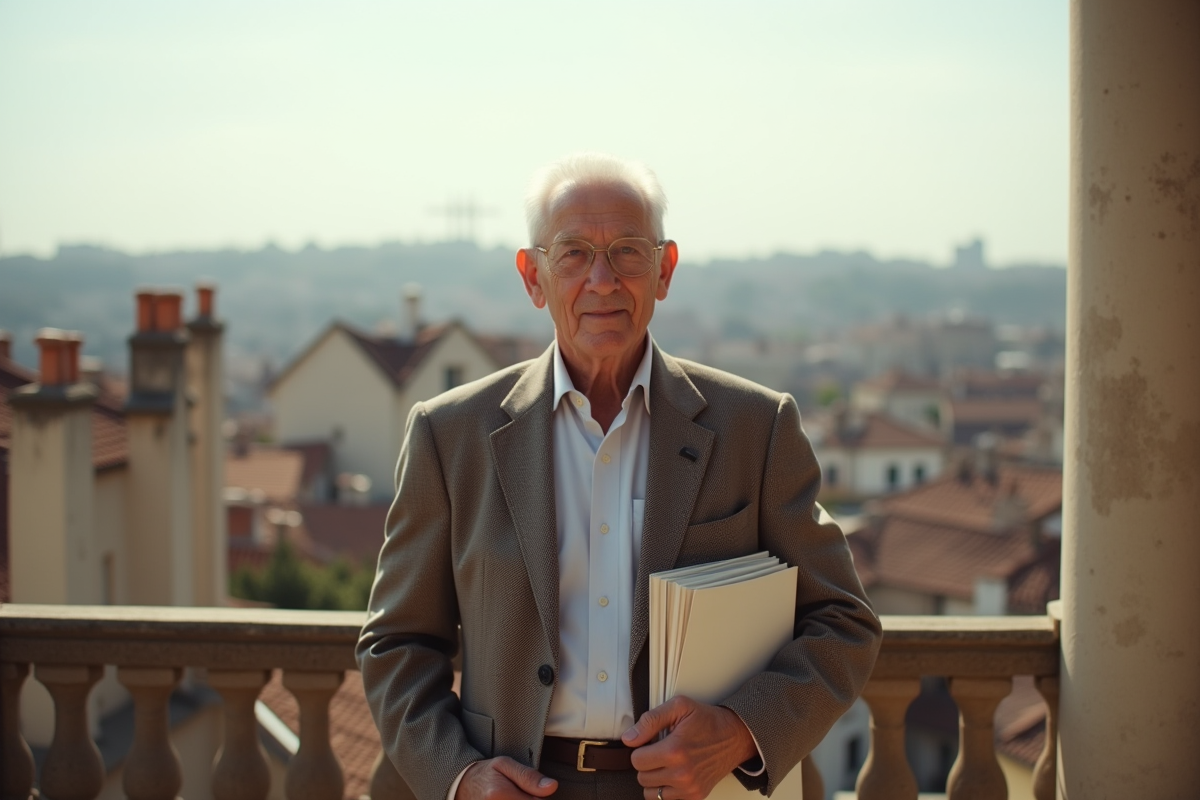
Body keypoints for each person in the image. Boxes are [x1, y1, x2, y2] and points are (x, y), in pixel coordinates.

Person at [357, 153, 881, 800]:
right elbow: (396, 643)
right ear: (533, 276)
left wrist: (741, 730)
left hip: (701, 789)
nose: (602, 281)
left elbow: (844, 622)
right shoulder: (449, 435)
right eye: (573, 254)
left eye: (628, 252)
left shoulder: (756, 427)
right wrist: (460, 777)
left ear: (664, 270)